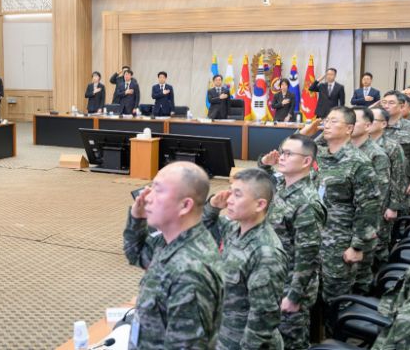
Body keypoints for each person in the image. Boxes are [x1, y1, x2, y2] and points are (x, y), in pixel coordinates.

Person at [124, 162, 223, 349]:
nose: (147, 198)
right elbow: (136, 255)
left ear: (185, 205)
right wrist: (137, 218)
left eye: (158, 191)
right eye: (150, 188)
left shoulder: (190, 273)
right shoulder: (172, 239)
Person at [299, 106, 380, 330]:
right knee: (309, 295)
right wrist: (305, 133)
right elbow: (287, 152)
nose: (327, 124)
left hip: (339, 240)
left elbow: (368, 207)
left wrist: (358, 245)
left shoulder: (359, 162)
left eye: (334, 121)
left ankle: (336, 340)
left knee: (335, 299)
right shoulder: (319, 153)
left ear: (349, 129)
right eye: (327, 120)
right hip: (312, 236)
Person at [202, 168, 288, 349]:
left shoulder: (266, 253)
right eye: (231, 192)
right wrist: (212, 207)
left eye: (238, 195)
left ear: (260, 205)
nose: (230, 200)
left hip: (243, 342)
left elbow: (263, 317)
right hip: (222, 331)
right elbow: (201, 230)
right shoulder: (234, 227)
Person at [257, 134, 326, 350]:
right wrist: (265, 166)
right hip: (273, 279)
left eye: (288, 154)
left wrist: (294, 296)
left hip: (291, 286)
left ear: (306, 161)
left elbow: (308, 255)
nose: (282, 157)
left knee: (290, 342)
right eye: (282, 152)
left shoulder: (306, 202)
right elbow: (263, 187)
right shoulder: (284, 186)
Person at [348, 107, 388, 295]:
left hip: (362, 227)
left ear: (368, 125)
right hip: (342, 226)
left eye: (354, 120)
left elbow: (375, 200)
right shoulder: (343, 149)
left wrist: (360, 240)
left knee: (360, 278)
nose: (349, 124)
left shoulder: (376, 154)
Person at [368, 106, 407, 269]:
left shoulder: (392, 146)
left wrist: (393, 206)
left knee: (380, 245)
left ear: (383, 124)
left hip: (384, 204)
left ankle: (380, 279)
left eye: (373, 120)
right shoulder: (358, 144)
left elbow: (399, 178)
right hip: (366, 204)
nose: (368, 123)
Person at [380, 90, 410, 202]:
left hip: (403, 183)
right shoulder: (375, 127)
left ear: (401, 106)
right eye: (384, 102)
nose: (386, 105)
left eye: (391, 103)